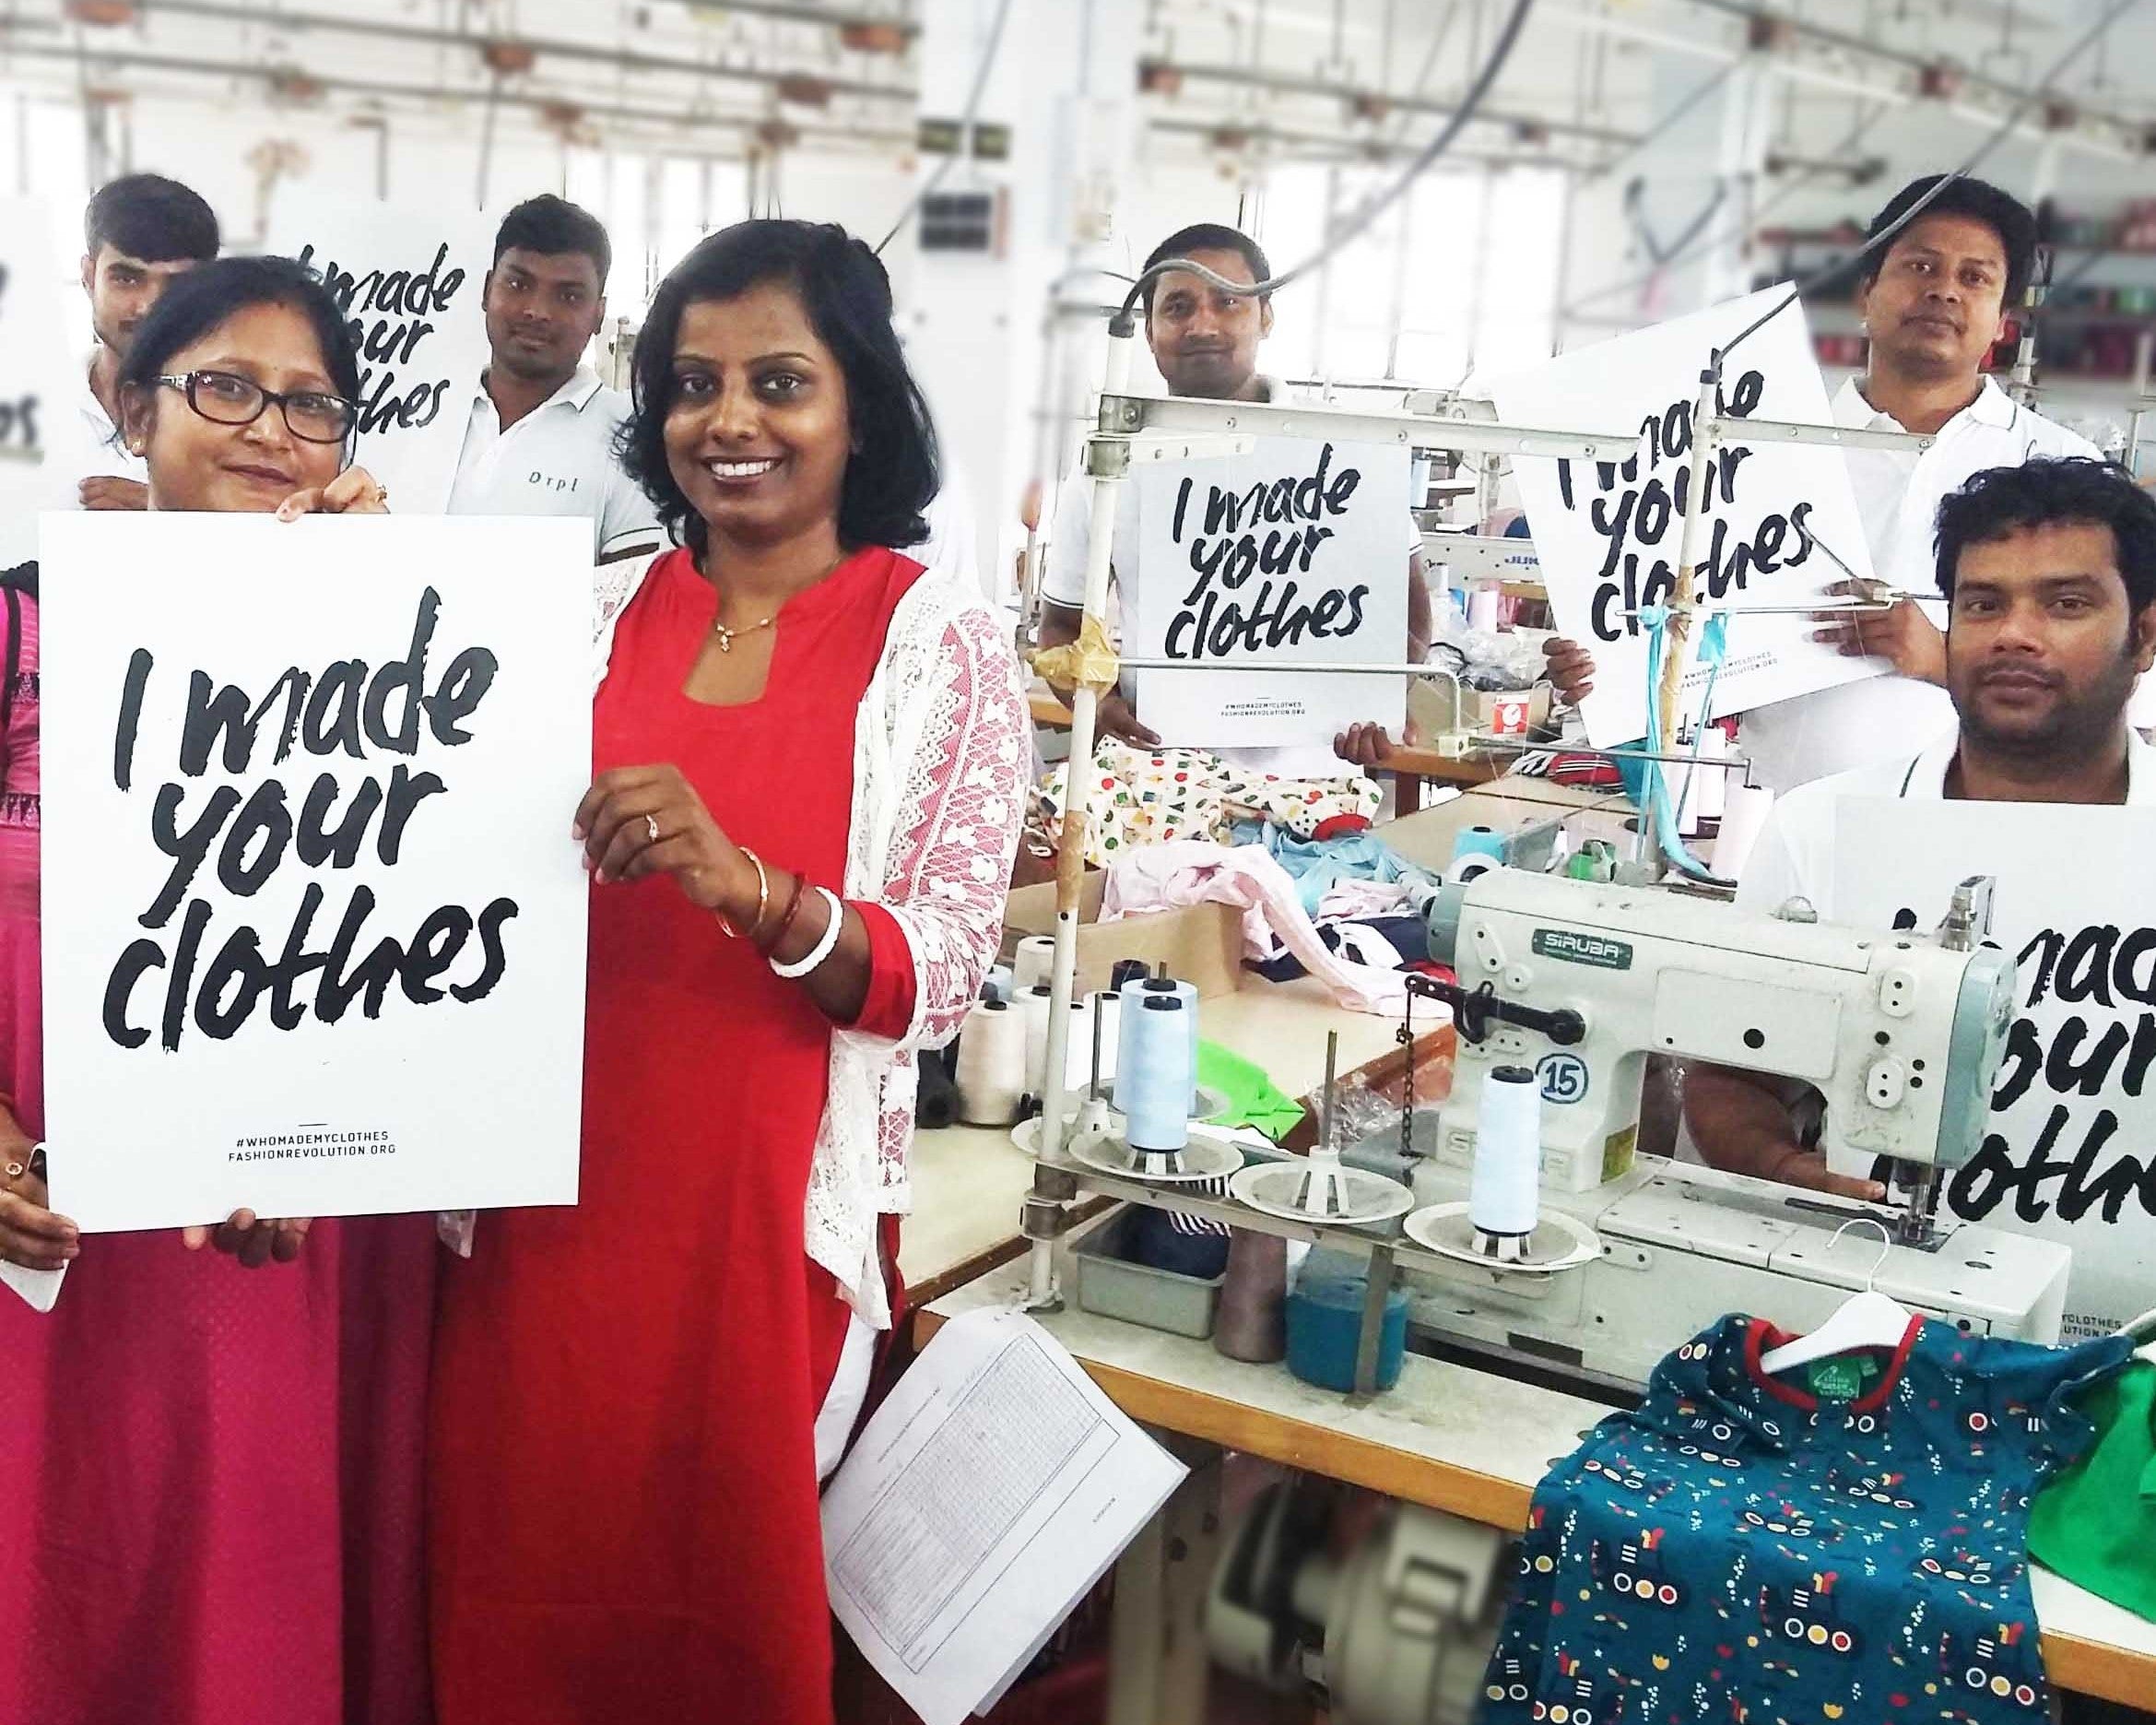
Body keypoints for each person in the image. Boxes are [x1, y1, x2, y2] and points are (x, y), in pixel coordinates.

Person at [427, 219, 1029, 1723]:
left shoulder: (937, 648)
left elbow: (931, 979)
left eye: (779, 379)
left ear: (859, 405)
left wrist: (751, 890)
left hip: (758, 1223)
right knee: (512, 1578)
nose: (729, 421)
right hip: (539, 1215)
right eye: (692, 383)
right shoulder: (583, 614)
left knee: (715, 1610)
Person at [0, 254, 430, 1724]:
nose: (270, 431)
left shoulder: (389, 630)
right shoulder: (20, 626)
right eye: (225, 387)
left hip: (286, 1214)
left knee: (243, 1568)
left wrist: (383, 592)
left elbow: (437, 923)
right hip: (43, 1206)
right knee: (58, 1549)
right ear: (134, 408)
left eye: (313, 404)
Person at [1685, 456, 2156, 1335]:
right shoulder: (1821, 829)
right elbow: (1728, 1071)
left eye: (2065, 603)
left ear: (2146, 635)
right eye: (1981, 604)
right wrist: (1785, 1169)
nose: (2014, 633)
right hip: (1860, 1318)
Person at [1540, 175, 2103, 791]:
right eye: (1920, 265)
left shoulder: (2061, 471)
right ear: (1866, 295)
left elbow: (2115, 683)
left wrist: (1940, 654)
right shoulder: (1755, 449)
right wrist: (1612, 671)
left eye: (1974, 278)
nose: (1942, 290)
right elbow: (1692, 652)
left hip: (1985, 821)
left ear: (2002, 323)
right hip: (1780, 814)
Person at [1037, 221, 1433, 777]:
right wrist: (1097, 707)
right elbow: (1060, 626)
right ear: (1147, 330)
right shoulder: (1110, 464)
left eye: (1228, 302)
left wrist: (1381, 700)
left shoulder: (1346, 449)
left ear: (1265, 315)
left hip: (1315, 780)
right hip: (1160, 788)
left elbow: (1411, 608)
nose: (1203, 324)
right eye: (1177, 307)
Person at [445, 194, 665, 562]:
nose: (537, 311)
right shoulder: (424, 412)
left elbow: (626, 598)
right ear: (486, 290)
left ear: (598, 314)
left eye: (569, 296)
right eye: (518, 284)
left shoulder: (632, 434)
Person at [76, 171, 220, 512]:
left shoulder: (245, 419)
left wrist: (168, 512)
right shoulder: (27, 403)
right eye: (126, 278)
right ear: (88, 277)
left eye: (176, 285)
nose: (148, 307)